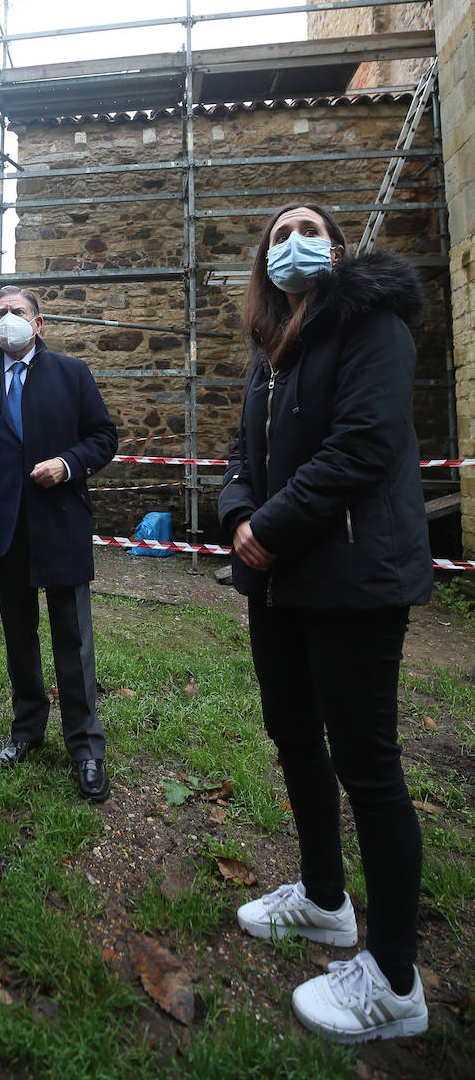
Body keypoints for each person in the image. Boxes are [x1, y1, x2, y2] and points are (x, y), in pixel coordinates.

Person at [218, 202, 432, 1044]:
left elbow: (365, 445)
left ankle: (394, 980)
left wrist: (267, 529)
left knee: (367, 766)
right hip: (281, 586)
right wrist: (241, 513)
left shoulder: (372, 326)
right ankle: (322, 900)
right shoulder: (268, 354)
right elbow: (242, 456)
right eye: (278, 233)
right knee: (296, 738)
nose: (294, 241)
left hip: (352, 578)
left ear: (338, 248)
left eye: (310, 229)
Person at [0, 287, 118, 802]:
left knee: (72, 638)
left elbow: (103, 437)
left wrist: (67, 464)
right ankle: (26, 730)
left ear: (38, 323)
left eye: (17, 312)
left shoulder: (71, 373)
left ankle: (86, 747)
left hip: (59, 525)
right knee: (20, 639)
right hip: (2, 534)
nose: (6, 319)